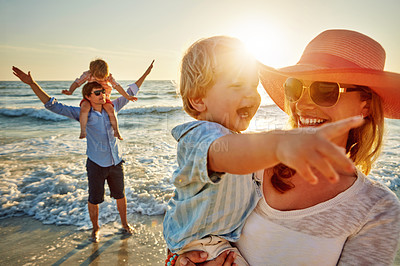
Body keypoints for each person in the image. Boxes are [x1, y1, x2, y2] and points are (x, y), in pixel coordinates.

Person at [178, 29, 400, 266]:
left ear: (364, 106)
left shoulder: (378, 208)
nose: (302, 104)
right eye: (295, 88)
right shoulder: (247, 159)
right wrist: (180, 260)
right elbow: (192, 230)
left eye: (325, 90)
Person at [12, 60, 154, 243]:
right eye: (98, 93)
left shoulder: (113, 108)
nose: (103, 94)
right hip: (96, 163)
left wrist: (147, 73)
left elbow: (131, 91)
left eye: (103, 91)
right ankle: (95, 229)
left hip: (116, 161)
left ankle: (125, 224)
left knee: (120, 195)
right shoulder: (81, 113)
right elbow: (53, 105)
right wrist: (33, 84)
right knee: (94, 199)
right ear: (88, 96)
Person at [61, 58, 139, 140]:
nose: (101, 79)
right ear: (92, 72)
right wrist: (70, 91)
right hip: (91, 97)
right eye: (98, 77)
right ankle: (83, 131)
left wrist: (127, 96)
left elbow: (117, 86)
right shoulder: (88, 74)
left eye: (103, 77)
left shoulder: (108, 76)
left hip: (104, 98)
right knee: (84, 108)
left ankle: (116, 131)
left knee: (111, 110)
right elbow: (77, 83)